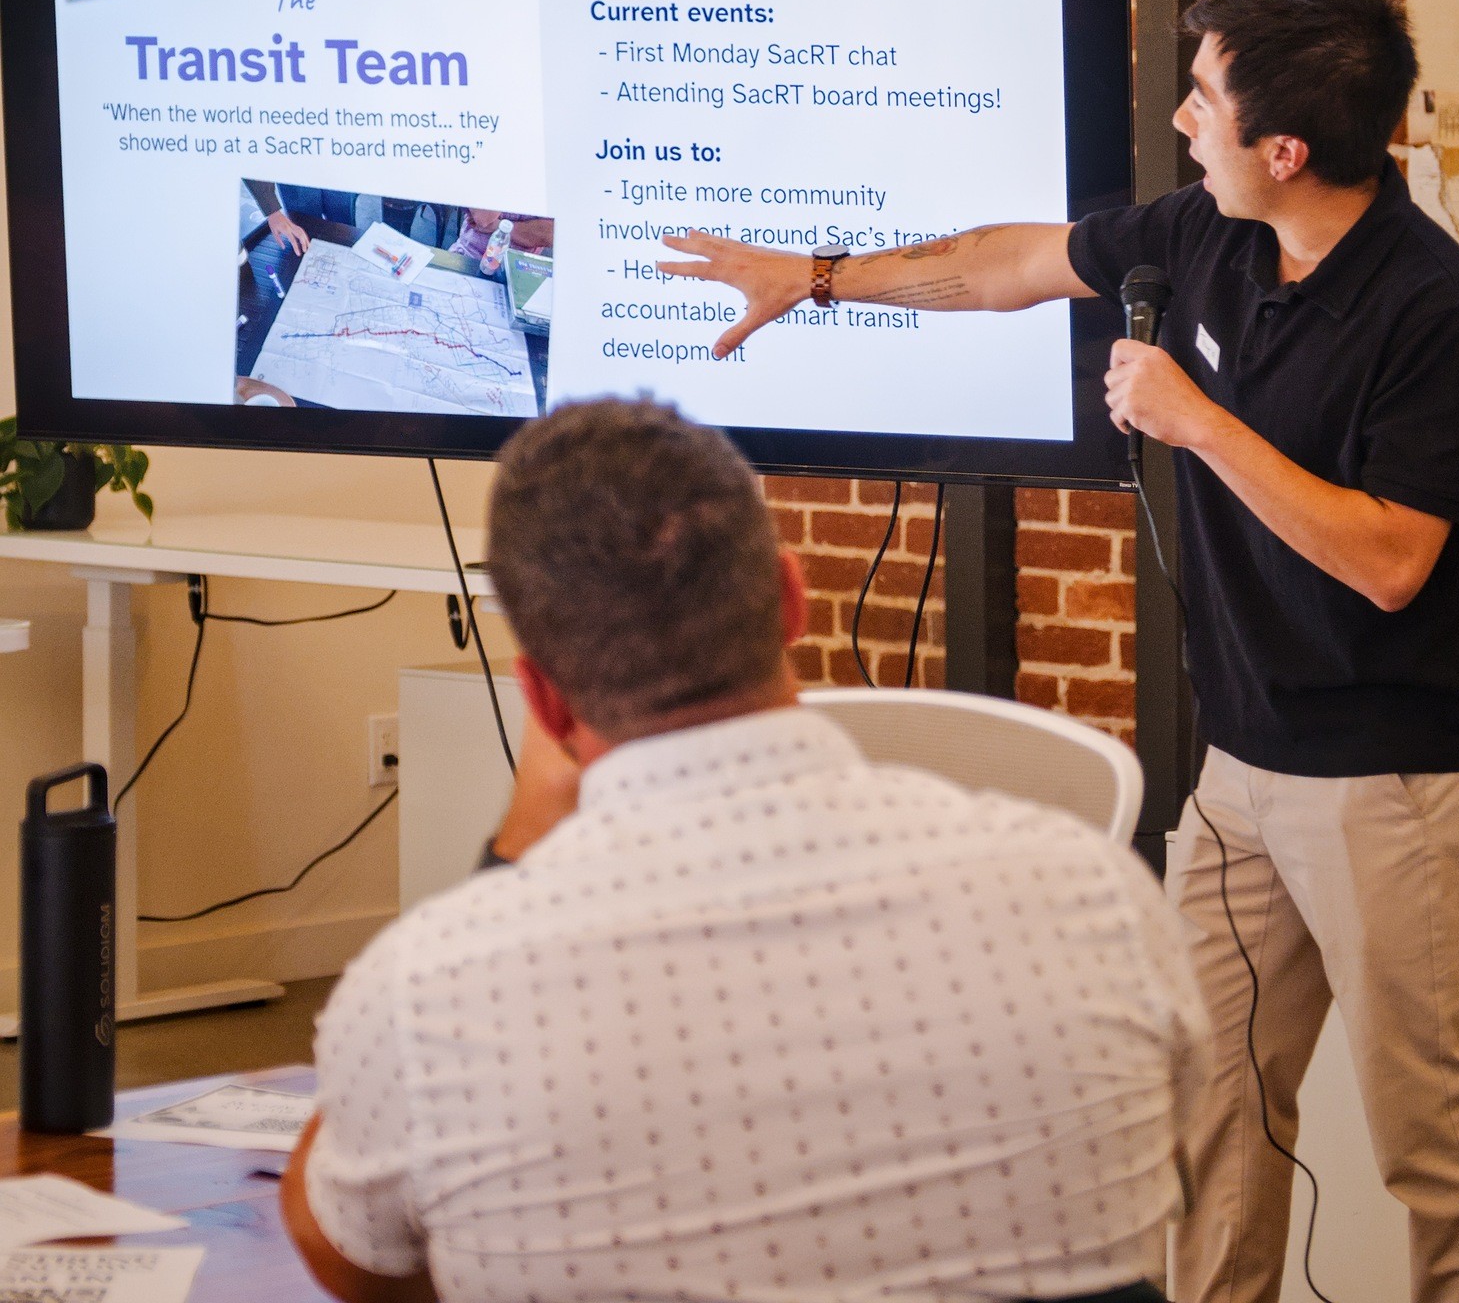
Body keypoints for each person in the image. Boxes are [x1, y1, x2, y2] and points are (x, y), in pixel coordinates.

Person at [660, 0, 1459, 1303]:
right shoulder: (1209, 232)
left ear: (1285, 151)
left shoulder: (1429, 307)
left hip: (1386, 780)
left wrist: (1198, 423)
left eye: (1204, 101)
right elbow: (1009, 263)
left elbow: (1392, 561)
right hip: (1242, 763)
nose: (1183, 121)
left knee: (1431, 1137)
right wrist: (817, 276)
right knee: (1210, 1104)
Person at [283, 397, 1209, 1303]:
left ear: (544, 699)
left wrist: (513, 851)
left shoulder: (428, 992)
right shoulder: (1095, 892)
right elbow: (1164, 1149)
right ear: (791, 600)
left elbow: (354, 1255)